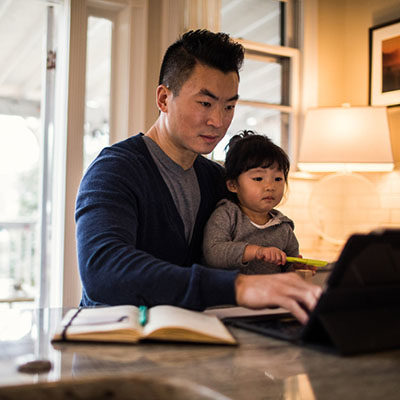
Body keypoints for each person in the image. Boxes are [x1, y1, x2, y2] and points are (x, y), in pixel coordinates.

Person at [75, 29, 321, 324]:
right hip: (113, 342)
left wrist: (284, 270)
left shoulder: (218, 180)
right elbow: (103, 271)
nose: (218, 121)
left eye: (229, 106)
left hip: (191, 341)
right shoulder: (114, 170)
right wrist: (238, 287)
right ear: (164, 98)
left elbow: (246, 243)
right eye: (205, 103)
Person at [203, 131, 300, 275]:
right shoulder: (227, 215)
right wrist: (256, 251)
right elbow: (213, 253)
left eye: (278, 179)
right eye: (258, 179)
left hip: (270, 295)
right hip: (231, 294)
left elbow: (289, 265)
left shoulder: (283, 226)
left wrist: (296, 267)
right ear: (233, 185)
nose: (270, 186)